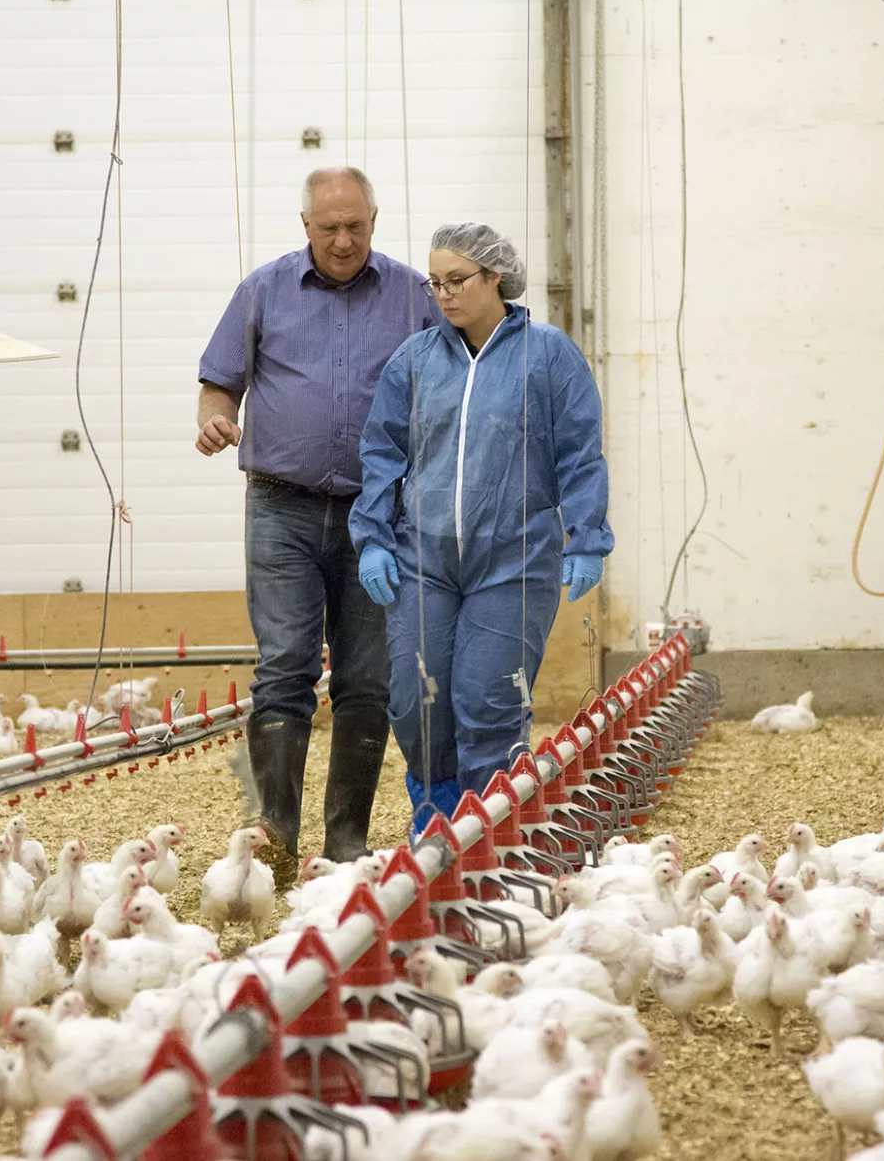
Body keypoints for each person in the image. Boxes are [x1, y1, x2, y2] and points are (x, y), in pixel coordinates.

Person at [195, 167, 441, 877]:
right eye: (329, 228)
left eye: (355, 227)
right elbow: (220, 385)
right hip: (281, 506)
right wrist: (215, 420)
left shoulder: (411, 296)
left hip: (380, 515)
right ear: (305, 225)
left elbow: (453, 380)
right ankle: (274, 836)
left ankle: (344, 843)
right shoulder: (264, 290)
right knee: (285, 669)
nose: (342, 240)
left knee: (367, 679)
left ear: (374, 220)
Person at [350, 222, 612, 835]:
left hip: (514, 561)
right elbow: (382, 453)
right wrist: (372, 539)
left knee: (488, 699)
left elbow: (580, 452)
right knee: (417, 702)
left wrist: (587, 537)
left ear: (496, 277)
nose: (444, 295)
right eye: (434, 282)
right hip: (424, 561)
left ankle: (489, 831)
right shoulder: (414, 360)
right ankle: (437, 818)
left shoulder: (548, 354)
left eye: (457, 281)